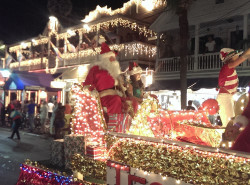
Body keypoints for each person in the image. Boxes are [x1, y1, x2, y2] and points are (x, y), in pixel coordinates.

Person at [82, 37, 124, 115]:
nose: (114, 60)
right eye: (111, 58)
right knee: (116, 100)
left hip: (116, 94)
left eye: (114, 58)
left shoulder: (114, 72)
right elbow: (87, 84)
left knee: (132, 102)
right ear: (105, 59)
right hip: (102, 97)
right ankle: (114, 123)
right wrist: (92, 91)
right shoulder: (95, 69)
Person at [217, 48, 250, 127]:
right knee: (229, 121)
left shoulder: (230, 68)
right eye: (236, 56)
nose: (237, 57)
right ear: (231, 58)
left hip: (228, 97)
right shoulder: (227, 67)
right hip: (225, 97)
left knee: (229, 120)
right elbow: (242, 58)